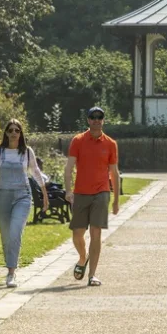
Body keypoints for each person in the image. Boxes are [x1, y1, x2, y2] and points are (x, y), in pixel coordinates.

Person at [0, 119, 47, 288]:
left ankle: (11, 273)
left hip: (22, 196)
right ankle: (10, 265)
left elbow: (35, 172)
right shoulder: (0, 151)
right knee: (6, 236)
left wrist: (44, 194)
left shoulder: (27, 152)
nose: (14, 133)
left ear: (21, 134)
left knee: (15, 231)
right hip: (2, 197)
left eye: (17, 130)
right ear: (6, 133)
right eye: (11, 130)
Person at [64, 106, 120, 287]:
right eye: (93, 117)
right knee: (77, 233)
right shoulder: (78, 140)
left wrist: (116, 200)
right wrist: (68, 190)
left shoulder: (110, 144)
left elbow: (114, 173)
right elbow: (69, 167)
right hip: (81, 192)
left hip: (101, 192)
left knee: (96, 233)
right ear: (88, 120)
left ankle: (92, 275)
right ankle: (82, 257)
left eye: (100, 117)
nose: (96, 120)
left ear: (103, 120)